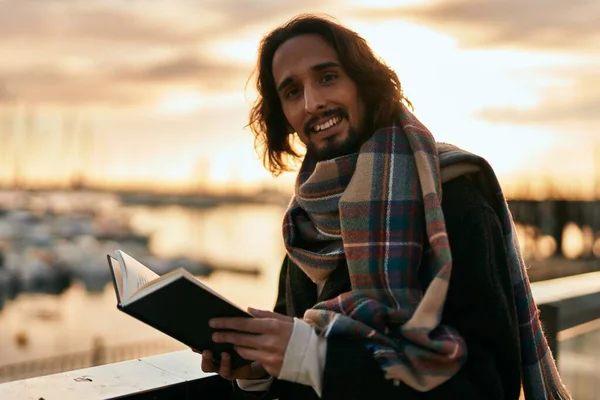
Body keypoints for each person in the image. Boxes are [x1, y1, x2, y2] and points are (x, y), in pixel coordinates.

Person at [200, 14, 571, 400]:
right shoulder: (305, 223)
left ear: (364, 83)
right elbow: (297, 371)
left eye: (327, 77)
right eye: (292, 91)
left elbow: (488, 387)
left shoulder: (451, 200)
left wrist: (313, 356)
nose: (313, 102)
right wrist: (258, 371)